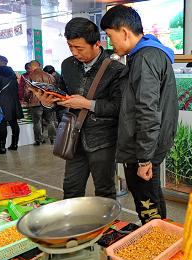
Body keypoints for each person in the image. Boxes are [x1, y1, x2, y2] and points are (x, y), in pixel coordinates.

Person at [31, 17, 125, 199]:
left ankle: (106, 227)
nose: (74, 52)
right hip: (73, 137)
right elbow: (64, 95)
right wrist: (48, 101)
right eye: (70, 47)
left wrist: (87, 104)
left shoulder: (115, 68)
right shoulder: (67, 65)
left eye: (79, 48)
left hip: (103, 140)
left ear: (97, 44)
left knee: (104, 191)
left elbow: (119, 106)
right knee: (71, 189)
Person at [101, 5, 178, 223]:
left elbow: (146, 110)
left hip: (142, 149)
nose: (110, 43)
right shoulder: (149, 54)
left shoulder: (145, 58)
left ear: (124, 32)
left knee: (147, 204)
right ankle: (161, 240)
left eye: (110, 36)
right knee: (152, 197)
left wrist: (144, 159)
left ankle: (155, 245)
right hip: (147, 146)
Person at [0, 55, 24, 154]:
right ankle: (14, 145)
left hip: (2, 102)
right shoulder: (12, 73)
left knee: (2, 124)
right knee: (14, 123)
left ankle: (1, 148)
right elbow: (16, 88)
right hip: (13, 102)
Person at [26, 60, 57, 145]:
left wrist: (26, 100)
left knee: (37, 122)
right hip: (48, 101)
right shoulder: (50, 76)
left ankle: (39, 140)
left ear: (32, 67)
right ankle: (53, 139)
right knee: (50, 120)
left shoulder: (30, 76)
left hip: (35, 103)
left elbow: (27, 91)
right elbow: (54, 90)